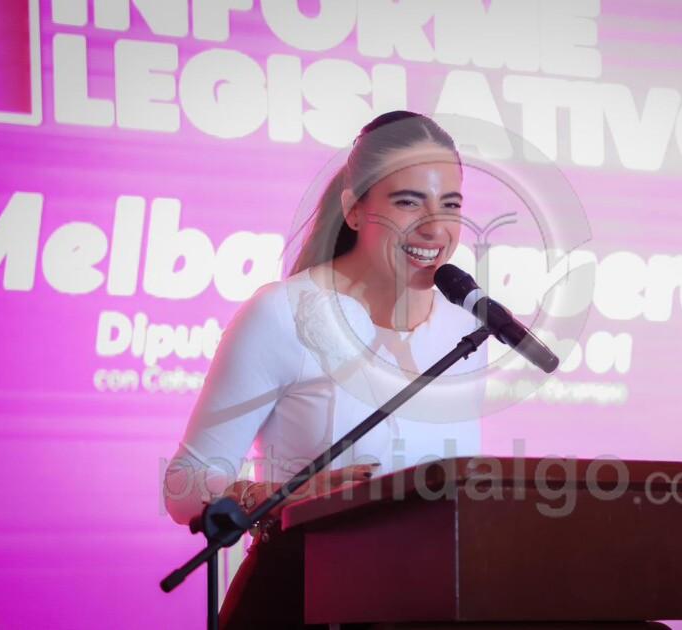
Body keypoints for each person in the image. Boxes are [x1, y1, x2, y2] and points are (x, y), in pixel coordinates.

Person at [162, 111, 488, 628]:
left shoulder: (463, 327)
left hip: (428, 603)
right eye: (408, 202)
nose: (435, 227)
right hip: (300, 597)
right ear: (354, 210)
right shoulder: (282, 313)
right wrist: (278, 498)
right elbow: (182, 484)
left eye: (450, 205)